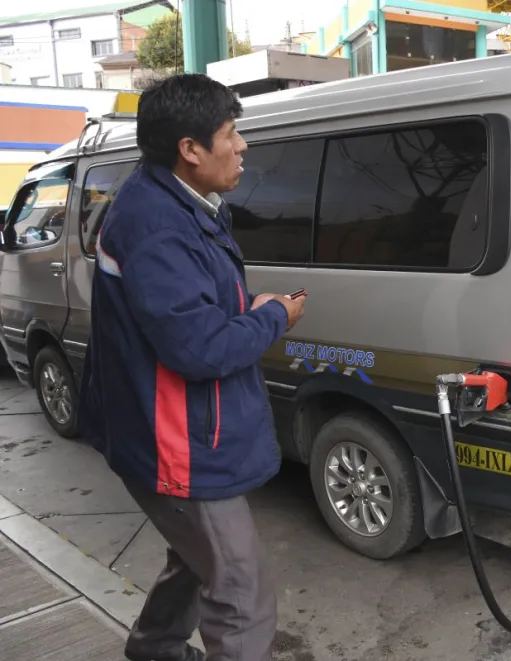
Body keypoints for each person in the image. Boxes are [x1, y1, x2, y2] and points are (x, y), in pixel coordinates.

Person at [78, 73, 306, 661]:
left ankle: (155, 649)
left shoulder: (175, 202)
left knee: (194, 557)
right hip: (176, 444)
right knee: (240, 593)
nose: (243, 146)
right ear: (190, 148)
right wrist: (275, 316)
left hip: (171, 433)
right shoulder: (157, 225)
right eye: (231, 133)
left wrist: (242, 310)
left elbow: (186, 312)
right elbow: (198, 349)